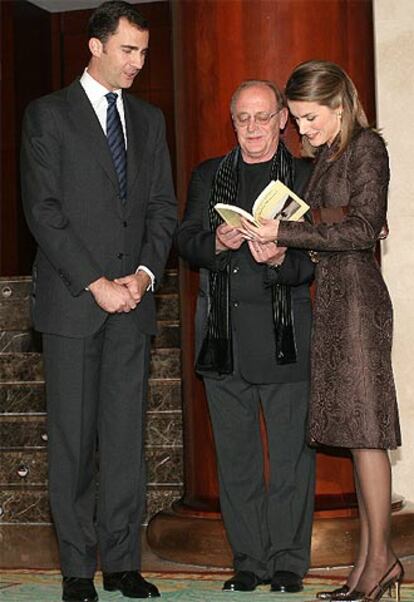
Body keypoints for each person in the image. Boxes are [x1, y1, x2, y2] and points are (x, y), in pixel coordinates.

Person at [21, 2, 176, 600]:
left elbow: (162, 207)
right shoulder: (47, 116)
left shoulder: (149, 120)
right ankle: (77, 570)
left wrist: (141, 274)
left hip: (133, 306)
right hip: (72, 305)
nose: (138, 62)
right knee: (72, 442)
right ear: (95, 46)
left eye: (143, 52)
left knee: (124, 443)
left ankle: (124, 562)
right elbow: (44, 212)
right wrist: (97, 282)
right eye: (128, 50)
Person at [240, 60, 403, 602]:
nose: (300, 129)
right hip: (330, 301)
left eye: (309, 118)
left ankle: (380, 562)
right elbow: (333, 220)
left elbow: (361, 227)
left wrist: (286, 229)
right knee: (358, 438)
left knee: (367, 435)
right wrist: (283, 241)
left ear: (338, 107)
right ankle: (367, 565)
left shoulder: (366, 147)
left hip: (357, 302)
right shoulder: (330, 153)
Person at [176, 80, 316, 593]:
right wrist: (215, 239)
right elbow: (185, 240)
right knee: (235, 463)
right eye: (242, 119)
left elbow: (318, 259)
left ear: (283, 118)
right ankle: (249, 563)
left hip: (286, 339)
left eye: (262, 117)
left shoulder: (305, 173)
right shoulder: (209, 174)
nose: (252, 129)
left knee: (290, 463)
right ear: (231, 121)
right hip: (223, 339)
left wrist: (282, 258)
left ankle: (287, 564)